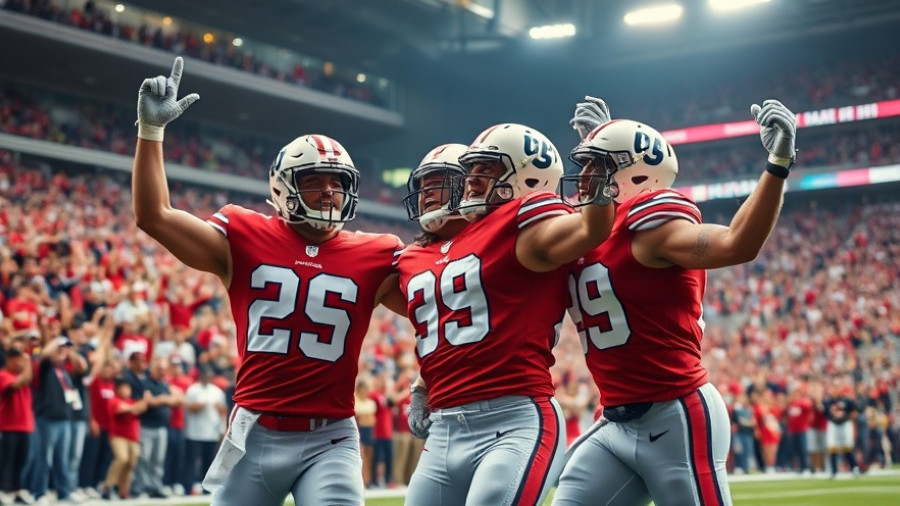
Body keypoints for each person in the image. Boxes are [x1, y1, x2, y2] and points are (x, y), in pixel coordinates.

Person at [131, 57, 406, 506]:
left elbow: (442, 307)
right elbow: (154, 215)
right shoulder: (244, 233)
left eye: (337, 182)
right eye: (314, 181)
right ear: (282, 188)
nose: (329, 192)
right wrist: (150, 132)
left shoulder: (376, 252)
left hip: (331, 436)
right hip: (254, 430)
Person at [551, 98, 798, 506]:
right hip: (614, 418)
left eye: (598, 165)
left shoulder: (652, 229)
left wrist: (778, 164)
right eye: (587, 163)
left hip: (675, 414)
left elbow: (737, 243)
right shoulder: (587, 232)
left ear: (633, 173)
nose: (585, 175)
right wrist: (606, 138)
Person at [398, 126, 615, 506]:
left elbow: (590, 229)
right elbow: (450, 326)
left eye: (440, 182)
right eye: (424, 184)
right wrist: (421, 385)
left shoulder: (516, 224)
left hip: (513, 417)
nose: (428, 193)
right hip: (445, 428)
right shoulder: (415, 258)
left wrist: (598, 168)